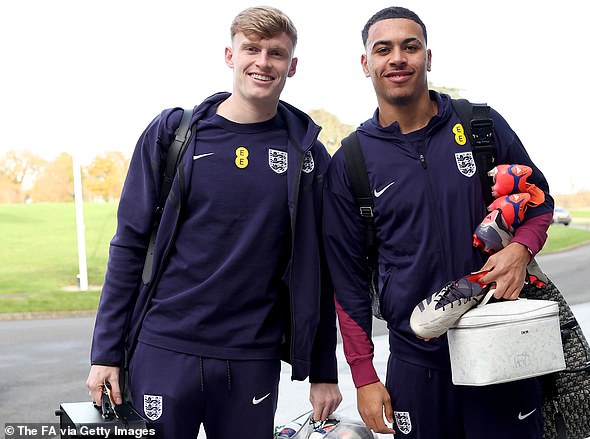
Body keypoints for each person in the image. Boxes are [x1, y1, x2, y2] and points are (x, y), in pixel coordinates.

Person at [86, 6, 341, 438]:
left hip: (251, 357)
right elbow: (129, 244)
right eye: (251, 49)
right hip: (165, 346)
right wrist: (105, 352)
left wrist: (323, 370)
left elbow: (318, 270)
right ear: (230, 55)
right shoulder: (174, 136)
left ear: (291, 66)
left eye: (276, 53)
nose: (263, 62)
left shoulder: (309, 158)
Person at [322, 6, 553, 439]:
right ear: (365, 63)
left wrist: (521, 249)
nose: (397, 58)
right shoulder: (351, 162)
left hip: (501, 344)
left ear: (428, 57)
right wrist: (364, 376)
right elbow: (347, 280)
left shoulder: (480, 124)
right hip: (417, 361)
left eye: (410, 47)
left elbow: (538, 198)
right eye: (383, 49)